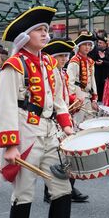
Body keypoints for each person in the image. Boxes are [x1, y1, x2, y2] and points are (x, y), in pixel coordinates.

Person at [0, 7, 90, 218]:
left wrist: (68, 128)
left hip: (51, 131)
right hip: (26, 132)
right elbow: (5, 106)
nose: (45, 34)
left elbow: (59, 99)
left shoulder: (49, 63)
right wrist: (10, 145)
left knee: (62, 187)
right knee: (24, 191)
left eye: (46, 30)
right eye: (40, 30)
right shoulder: (13, 65)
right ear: (26, 36)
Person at [43, 38, 89, 204]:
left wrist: (73, 100)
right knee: (58, 157)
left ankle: (68, 186)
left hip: (64, 117)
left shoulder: (61, 72)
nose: (64, 59)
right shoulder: (49, 73)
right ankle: (50, 191)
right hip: (55, 120)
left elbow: (61, 96)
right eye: (60, 56)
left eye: (65, 55)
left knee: (68, 156)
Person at [67, 32, 99, 124]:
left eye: (89, 45)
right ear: (79, 46)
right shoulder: (74, 60)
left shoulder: (90, 61)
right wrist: (73, 98)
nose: (87, 47)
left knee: (90, 122)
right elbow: (70, 81)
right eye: (85, 44)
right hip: (78, 95)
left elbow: (93, 81)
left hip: (88, 96)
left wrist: (94, 99)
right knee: (78, 122)